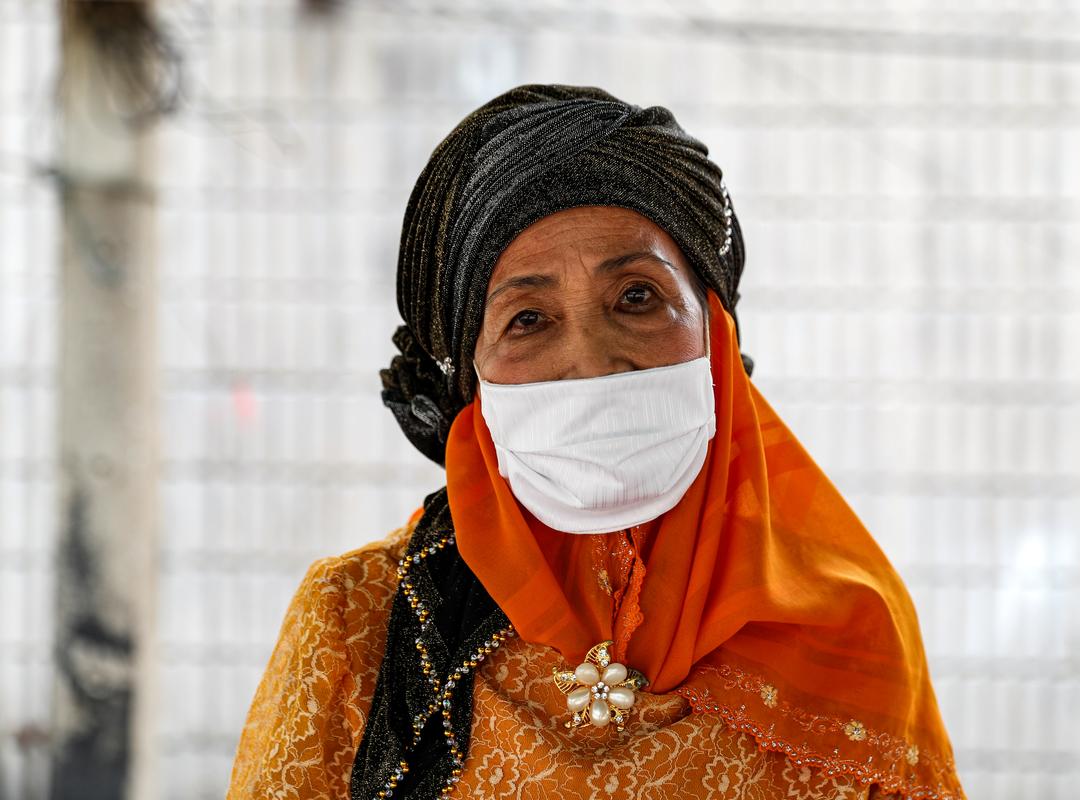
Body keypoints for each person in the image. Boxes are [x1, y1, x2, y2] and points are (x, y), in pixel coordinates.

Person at [227, 84, 966, 800]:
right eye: (528, 318)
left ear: (715, 331)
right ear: (470, 373)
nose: (594, 360)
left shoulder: (852, 635)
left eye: (638, 297)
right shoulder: (356, 625)